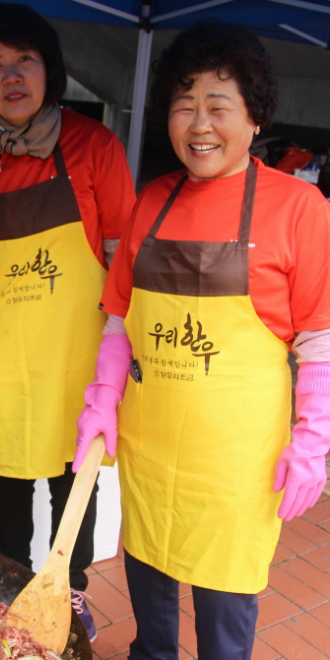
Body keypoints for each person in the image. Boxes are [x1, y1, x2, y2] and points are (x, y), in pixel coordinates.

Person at [74, 20, 330, 660]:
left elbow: (320, 341)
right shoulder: (152, 199)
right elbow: (119, 319)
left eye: (219, 106)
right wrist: (103, 398)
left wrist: (313, 443)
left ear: (255, 116)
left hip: (235, 458)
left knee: (224, 606)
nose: (199, 125)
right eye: (184, 107)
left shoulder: (300, 207)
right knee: (147, 571)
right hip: (151, 442)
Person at [0, 1, 135, 642]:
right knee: (9, 491)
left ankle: (69, 593)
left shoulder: (94, 147)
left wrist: (133, 344)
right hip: (4, 358)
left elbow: (124, 256)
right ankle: (11, 587)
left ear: (50, 68)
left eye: (25, 60)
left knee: (78, 487)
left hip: (79, 356)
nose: (12, 76)